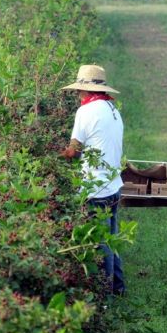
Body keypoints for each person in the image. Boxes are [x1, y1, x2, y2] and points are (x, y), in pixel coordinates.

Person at [60, 64, 126, 295]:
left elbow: (74, 150)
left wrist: (57, 156)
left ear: (85, 91)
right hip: (114, 185)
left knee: (101, 244)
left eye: (79, 91)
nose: (78, 95)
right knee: (112, 240)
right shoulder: (111, 108)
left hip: (96, 190)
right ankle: (118, 288)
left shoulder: (85, 112)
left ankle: (105, 296)